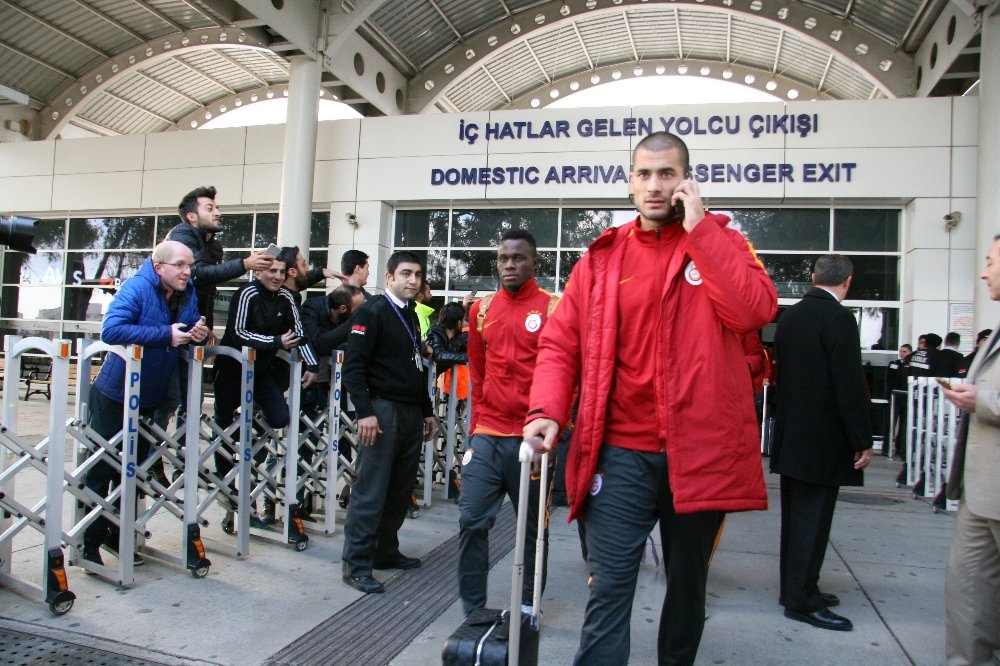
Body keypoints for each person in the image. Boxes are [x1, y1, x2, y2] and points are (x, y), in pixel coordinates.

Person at [522, 131, 777, 666]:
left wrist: (701, 230)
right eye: (644, 174)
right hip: (618, 454)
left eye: (667, 174)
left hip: (700, 455)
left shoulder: (721, 242)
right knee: (609, 586)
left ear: (687, 180)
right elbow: (560, 342)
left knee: (688, 589)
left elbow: (754, 311)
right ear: (630, 180)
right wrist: (546, 410)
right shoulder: (602, 258)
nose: (655, 185)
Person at [82, 240, 209, 567]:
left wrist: (199, 332)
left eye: (190, 265)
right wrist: (165, 335)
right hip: (115, 393)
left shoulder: (187, 291)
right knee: (103, 469)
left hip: (150, 395)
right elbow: (111, 330)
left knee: (133, 472)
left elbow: (190, 324)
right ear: (159, 267)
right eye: (180, 265)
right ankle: (89, 544)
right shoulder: (137, 288)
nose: (187, 271)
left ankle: (117, 537)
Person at [770, 254, 874, 632]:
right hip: (823, 440)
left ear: (813, 277)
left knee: (795, 520)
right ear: (847, 281)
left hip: (792, 435)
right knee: (813, 523)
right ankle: (802, 600)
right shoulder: (839, 319)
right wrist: (862, 439)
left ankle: (795, 587)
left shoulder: (790, 317)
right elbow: (849, 385)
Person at [459, 229, 558, 616]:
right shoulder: (481, 310)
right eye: (503, 258)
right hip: (488, 435)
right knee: (471, 521)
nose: (509, 265)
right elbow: (478, 374)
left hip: (532, 441)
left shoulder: (553, 308)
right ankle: (473, 608)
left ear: (535, 262)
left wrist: (554, 429)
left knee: (533, 530)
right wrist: (475, 431)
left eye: (518, 258)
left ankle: (529, 606)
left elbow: (566, 375)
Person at [153, 186, 275, 483]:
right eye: (210, 208)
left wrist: (203, 325)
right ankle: (152, 456)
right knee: (167, 398)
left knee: (188, 398)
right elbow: (198, 275)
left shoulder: (212, 246)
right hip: (168, 330)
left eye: (216, 206)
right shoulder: (183, 236)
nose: (217, 212)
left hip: (191, 329)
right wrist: (245, 264)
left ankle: (182, 458)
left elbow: (206, 287)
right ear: (191, 216)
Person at [341, 251, 436, 594]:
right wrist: (364, 411)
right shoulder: (373, 311)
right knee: (371, 489)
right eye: (406, 274)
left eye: (418, 275)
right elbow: (353, 367)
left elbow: (415, 367)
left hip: (410, 411)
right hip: (381, 412)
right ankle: (357, 564)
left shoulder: (410, 315)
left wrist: (426, 410)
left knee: (399, 488)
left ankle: (385, 550)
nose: (413, 280)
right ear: (390, 276)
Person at [212, 256, 318, 530]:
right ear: (259, 272)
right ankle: (227, 487)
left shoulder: (286, 297)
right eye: (271, 271)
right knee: (223, 429)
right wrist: (274, 341)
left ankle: (248, 441)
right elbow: (237, 333)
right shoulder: (246, 293)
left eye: (282, 272)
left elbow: (299, 333)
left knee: (281, 418)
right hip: (232, 370)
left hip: (261, 372)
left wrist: (313, 365)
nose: (277, 276)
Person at [940, 236, 1000, 666]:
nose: (983, 272)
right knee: (968, 591)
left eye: (990, 262)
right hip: (980, 491)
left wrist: (981, 399)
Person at [886, 343, 912, 459]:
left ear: (910, 353)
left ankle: (901, 448)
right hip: (895, 397)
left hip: (906, 397)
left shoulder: (911, 365)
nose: (902, 354)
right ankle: (887, 448)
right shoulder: (893, 364)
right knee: (890, 422)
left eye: (904, 352)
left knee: (904, 424)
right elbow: (889, 380)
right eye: (901, 351)